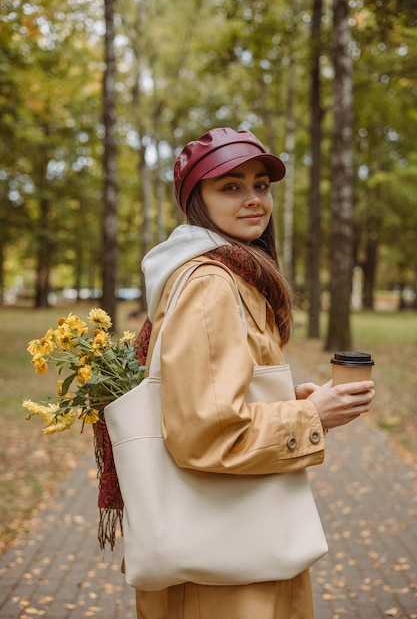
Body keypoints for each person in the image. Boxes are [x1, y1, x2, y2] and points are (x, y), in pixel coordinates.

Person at [132, 127, 375, 619]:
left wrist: (290, 399)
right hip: (224, 568)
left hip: (237, 546)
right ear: (195, 201)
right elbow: (206, 432)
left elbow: (215, 396)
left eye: (261, 185)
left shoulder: (233, 275)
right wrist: (311, 417)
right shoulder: (211, 283)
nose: (254, 200)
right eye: (230, 186)